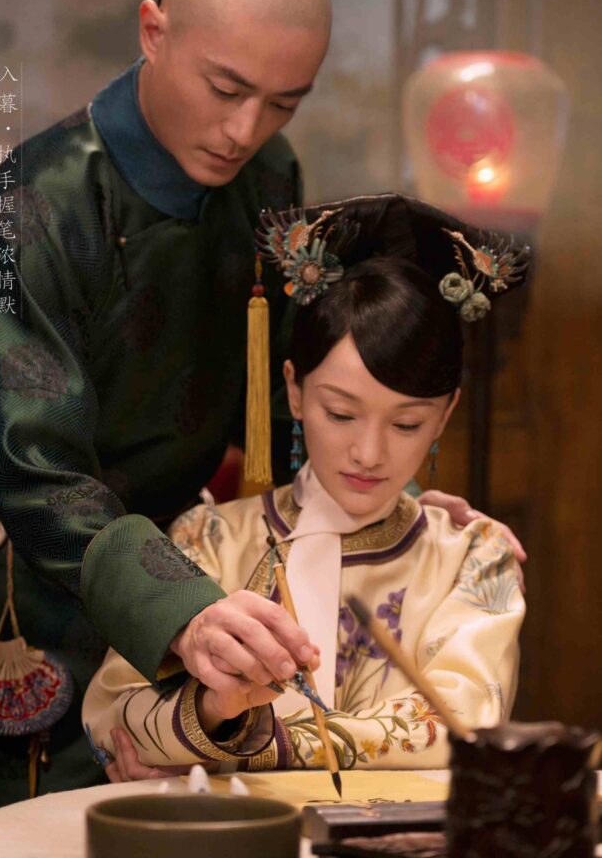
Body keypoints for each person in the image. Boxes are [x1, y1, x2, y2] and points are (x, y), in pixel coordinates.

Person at [0, 0, 521, 838]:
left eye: (284, 102)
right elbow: (38, 472)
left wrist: (386, 498)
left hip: (209, 562)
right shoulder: (29, 208)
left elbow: (289, 393)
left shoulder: (266, 174)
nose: (246, 131)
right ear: (153, 31)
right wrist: (186, 614)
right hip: (39, 575)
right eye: (227, 89)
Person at [83, 195, 526, 776]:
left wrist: (248, 743)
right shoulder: (210, 537)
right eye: (340, 413)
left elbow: (462, 723)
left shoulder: (473, 556)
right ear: (293, 390)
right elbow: (112, 714)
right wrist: (215, 710)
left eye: (407, 424)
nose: (369, 453)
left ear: (446, 415)